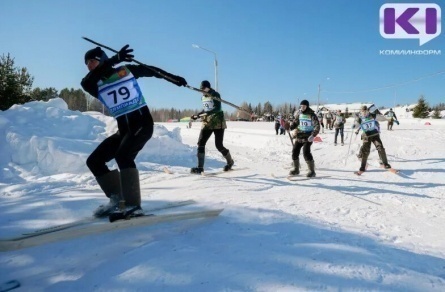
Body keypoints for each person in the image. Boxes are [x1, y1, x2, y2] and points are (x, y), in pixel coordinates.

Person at [81, 45, 187, 218]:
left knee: (123, 156)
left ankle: (133, 205)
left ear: (102, 59)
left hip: (142, 124)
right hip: (124, 130)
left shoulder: (125, 71)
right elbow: (87, 81)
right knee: (94, 161)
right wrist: (114, 60)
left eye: (92, 61)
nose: (89, 66)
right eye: (87, 64)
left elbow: (150, 70)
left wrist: (172, 78)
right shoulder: (93, 84)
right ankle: (117, 198)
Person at [190, 80, 234, 174]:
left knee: (219, 145)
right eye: (201, 89)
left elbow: (217, 108)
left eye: (203, 89)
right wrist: (198, 115)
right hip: (207, 122)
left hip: (218, 122)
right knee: (201, 142)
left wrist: (205, 114)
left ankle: (230, 162)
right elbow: (206, 109)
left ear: (208, 87)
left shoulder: (215, 94)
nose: (202, 91)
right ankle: (200, 167)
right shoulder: (203, 97)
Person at [354, 105, 391, 174]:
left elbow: (381, 117)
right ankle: (363, 166)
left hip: (375, 134)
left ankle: (385, 163)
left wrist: (388, 118)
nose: (364, 113)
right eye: (363, 112)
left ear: (368, 111)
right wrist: (354, 126)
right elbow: (357, 124)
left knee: (380, 148)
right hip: (366, 136)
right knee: (366, 151)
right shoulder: (360, 118)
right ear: (361, 112)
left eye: (365, 111)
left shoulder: (372, 115)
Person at [289, 100, 320, 177]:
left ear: (307, 106)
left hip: (308, 137)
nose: (302, 108)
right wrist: (290, 127)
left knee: (306, 152)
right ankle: (296, 169)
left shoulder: (312, 115)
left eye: (303, 106)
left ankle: (312, 171)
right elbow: (296, 122)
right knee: (295, 151)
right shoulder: (299, 114)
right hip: (299, 135)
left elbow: (317, 126)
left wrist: (313, 135)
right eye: (301, 106)